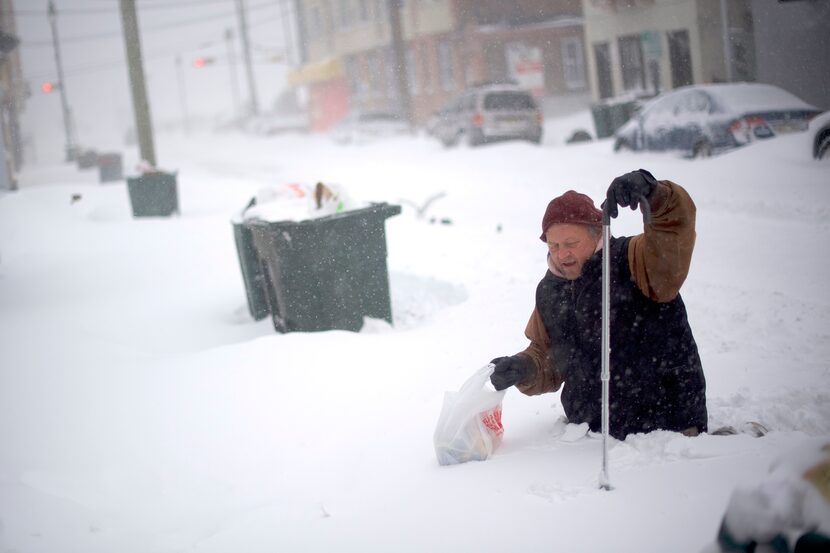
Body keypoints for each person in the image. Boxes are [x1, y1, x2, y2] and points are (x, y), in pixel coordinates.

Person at [489, 169, 708, 439]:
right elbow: (550, 356)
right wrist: (524, 368)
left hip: (665, 434)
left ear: (596, 235)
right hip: (590, 436)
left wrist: (654, 193)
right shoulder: (550, 290)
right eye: (554, 245)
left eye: (571, 243)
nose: (561, 254)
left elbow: (672, 228)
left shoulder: (635, 259)